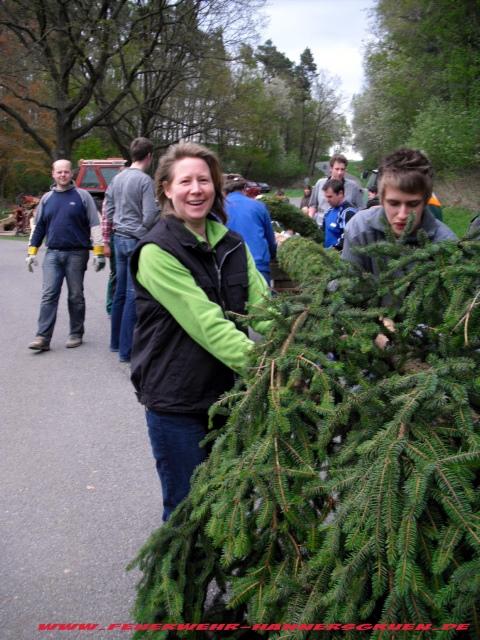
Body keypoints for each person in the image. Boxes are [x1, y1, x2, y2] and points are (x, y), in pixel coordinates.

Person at [129, 142, 269, 521]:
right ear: (166, 189)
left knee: (226, 500)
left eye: (204, 180)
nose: (196, 189)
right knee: (186, 509)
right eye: (186, 181)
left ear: (216, 187)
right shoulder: (156, 251)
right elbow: (207, 324)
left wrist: (300, 341)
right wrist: (268, 367)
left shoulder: (232, 244)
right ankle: (180, 580)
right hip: (176, 399)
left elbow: (264, 309)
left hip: (226, 393)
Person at [26, 159, 105, 351]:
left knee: (75, 296)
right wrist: (31, 251)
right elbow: (39, 227)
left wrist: (99, 252)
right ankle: (42, 337)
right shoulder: (46, 199)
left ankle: (76, 333)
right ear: (53, 174)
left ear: (72, 174)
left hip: (77, 254)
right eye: (59, 172)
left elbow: (95, 224)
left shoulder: (83, 196)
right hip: (53, 254)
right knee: (49, 295)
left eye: (66, 172)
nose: (63, 175)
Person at [342, 148, 457, 276]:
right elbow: (345, 286)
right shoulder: (358, 229)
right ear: (381, 200)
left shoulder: (447, 244)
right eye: (394, 203)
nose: (402, 215)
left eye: (412, 204)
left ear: (425, 202)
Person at [104, 137, 159, 363]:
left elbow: (108, 210)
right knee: (132, 294)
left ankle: (115, 343)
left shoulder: (117, 178)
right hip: (136, 239)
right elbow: (148, 215)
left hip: (118, 237)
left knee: (119, 292)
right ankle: (127, 351)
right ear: (149, 156)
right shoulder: (145, 181)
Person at [224, 174, 277, 284]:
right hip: (258, 264)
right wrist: (273, 254)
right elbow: (270, 238)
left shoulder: (219, 207)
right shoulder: (258, 206)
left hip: (230, 266)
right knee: (263, 299)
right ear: (244, 189)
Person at [308, 153, 364, 226]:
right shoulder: (320, 183)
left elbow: (361, 209)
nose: (339, 172)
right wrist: (309, 220)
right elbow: (313, 205)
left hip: (343, 228)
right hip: (320, 225)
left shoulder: (353, 186)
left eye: (342, 169)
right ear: (331, 169)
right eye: (337, 169)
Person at [322, 179, 358, 250]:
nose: (327, 200)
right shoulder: (329, 211)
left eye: (330, 197)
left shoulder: (348, 212)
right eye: (326, 197)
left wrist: (331, 251)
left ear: (340, 194)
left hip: (338, 258)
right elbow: (322, 232)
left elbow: (347, 239)